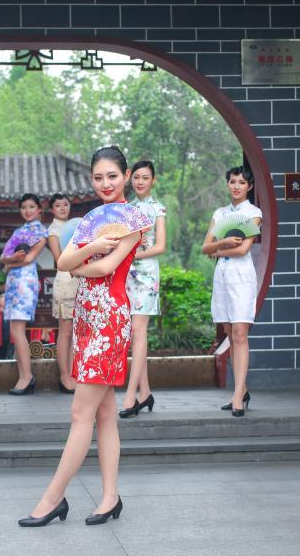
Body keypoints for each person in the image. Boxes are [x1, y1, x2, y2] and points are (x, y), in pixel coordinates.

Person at [19, 146, 147, 528]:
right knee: (104, 414)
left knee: (80, 413)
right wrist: (89, 249)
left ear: (126, 176)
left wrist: (80, 265)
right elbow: (62, 262)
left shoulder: (133, 219)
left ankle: (52, 499)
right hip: (86, 316)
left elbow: (108, 267)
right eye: (98, 177)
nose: (105, 184)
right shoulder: (91, 219)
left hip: (109, 319)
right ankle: (110, 497)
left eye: (112, 176)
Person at [202, 166, 262, 417]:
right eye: (233, 182)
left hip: (241, 277)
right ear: (227, 184)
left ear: (249, 186)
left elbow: (243, 250)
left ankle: (238, 396)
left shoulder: (254, 213)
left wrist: (219, 249)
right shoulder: (220, 213)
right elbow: (205, 247)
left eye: (241, 182)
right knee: (229, 332)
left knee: (240, 333)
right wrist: (223, 243)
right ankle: (242, 390)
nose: (236, 186)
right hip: (223, 276)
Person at [121, 160, 167, 417]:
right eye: (136, 177)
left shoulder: (158, 208)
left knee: (138, 330)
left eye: (145, 177)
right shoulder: (127, 209)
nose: (140, 181)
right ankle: (145, 392)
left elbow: (160, 246)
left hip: (147, 274)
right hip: (127, 274)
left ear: (153, 181)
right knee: (134, 333)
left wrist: (134, 254)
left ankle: (130, 395)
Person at [1, 193, 48, 395]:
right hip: (13, 282)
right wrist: (11, 259)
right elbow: (3, 258)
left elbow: (28, 259)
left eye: (31, 206)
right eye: (23, 207)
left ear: (39, 209)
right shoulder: (18, 232)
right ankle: (23, 376)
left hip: (25, 282)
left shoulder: (41, 232)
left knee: (18, 330)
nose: (27, 211)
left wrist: (10, 263)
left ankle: (27, 377)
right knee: (15, 330)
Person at [47, 192, 80, 394]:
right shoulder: (53, 231)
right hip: (65, 280)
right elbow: (59, 260)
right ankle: (64, 375)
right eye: (58, 205)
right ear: (52, 209)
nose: (62, 208)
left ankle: (75, 373)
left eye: (65, 204)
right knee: (65, 330)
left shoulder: (77, 226)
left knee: (77, 331)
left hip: (80, 279)